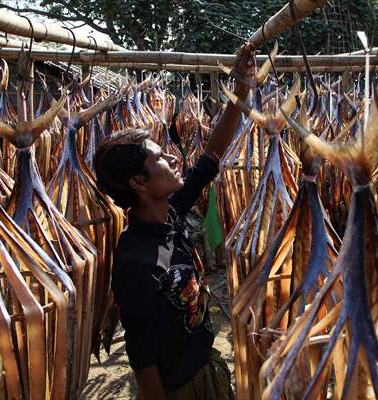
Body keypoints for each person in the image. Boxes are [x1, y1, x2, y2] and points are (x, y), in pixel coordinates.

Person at [94, 43, 254, 400]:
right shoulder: (135, 262)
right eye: (159, 157)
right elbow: (143, 361)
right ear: (139, 182)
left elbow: (210, 157)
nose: (172, 156)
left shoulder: (172, 211)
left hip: (207, 368)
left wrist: (239, 91)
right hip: (179, 389)